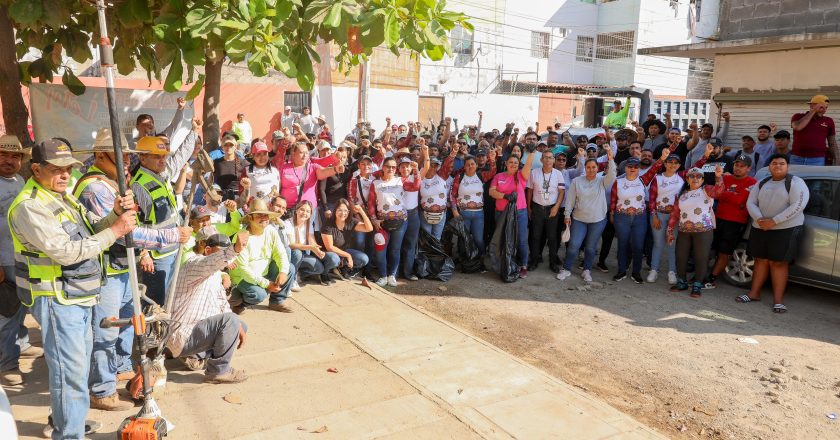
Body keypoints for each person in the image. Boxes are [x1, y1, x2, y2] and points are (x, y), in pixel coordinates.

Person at [8, 139, 137, 439]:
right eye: (57, 169)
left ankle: (67, 424)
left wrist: (113, 215)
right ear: (36, 169)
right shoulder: (30, 206)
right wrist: (115, 230)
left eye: (68, 168)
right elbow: (66, 252)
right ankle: (69, 434)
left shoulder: (62, 197)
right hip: (56, 299)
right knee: (71, 375)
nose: (65, 174)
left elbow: (90, 231)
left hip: (77, 295)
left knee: (74, 372)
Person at [73, 128, 172, 410]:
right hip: (105, 271)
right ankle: (102, 389)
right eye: (120, 156)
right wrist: (168, 236)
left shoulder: (113, 184)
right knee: (106, 330)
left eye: (128, 156)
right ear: (100, 156)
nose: (126, 161)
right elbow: (124, 231)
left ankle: (118, 368)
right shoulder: (94, 188)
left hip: (122, 267)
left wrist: (142, 251)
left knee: (128, 323)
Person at [131, 119, 199, 306]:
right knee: (153, 303)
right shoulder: (139, 186)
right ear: (143, 158)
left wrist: (194, 131)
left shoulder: (162, 174)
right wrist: (144, 254)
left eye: (164, 156)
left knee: (166, 299)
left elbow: (181, 156)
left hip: (172, 249)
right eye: (157, 156)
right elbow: (135, 223)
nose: (163, 160)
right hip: (156, 256)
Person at [169, 226, 249, 384]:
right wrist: (235, 249)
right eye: (219, 252)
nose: (226, 259)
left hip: (196, 331)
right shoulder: (194, 264)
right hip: (182, 334)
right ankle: (217, 371)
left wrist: (237, 326)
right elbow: (211, 262)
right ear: (207, 250)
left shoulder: (216, 274)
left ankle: (196, 356)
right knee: (231, 321)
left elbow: (222, 304)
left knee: (240, 325)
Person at [739, 154, 809, 312]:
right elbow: (751, 202)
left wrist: (774, 221)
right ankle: (754, 294)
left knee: (778, 263)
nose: (778, 166)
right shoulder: (762, 182)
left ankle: (778, 301)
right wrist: (760, 219)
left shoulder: (796, 183)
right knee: (760, 260)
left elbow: (798, 205)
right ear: (769, 166)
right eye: (774, 163)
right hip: (760, 227)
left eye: (782, 163)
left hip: (785, 229)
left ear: (788, 166)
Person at [0, 135, 42, 387]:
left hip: (21, 258)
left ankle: (22, 343)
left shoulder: (19, 181)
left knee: (21, 308)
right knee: (7, 313)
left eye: (14, 156)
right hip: (4, 260)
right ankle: (7, 365)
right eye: (3, 155)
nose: (9, 160)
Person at [557, 147, 617, 282]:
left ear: (597, 168)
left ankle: (587, 270)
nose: (591, 170)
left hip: (598, 220)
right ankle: (566, 269)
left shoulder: (602, 181)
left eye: (594, 167)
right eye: (588, 167)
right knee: (574, 245)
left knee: (590, 247)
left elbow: (612, 175)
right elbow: (570, 200)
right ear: (585, 168)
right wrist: (567, 215)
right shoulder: (577, 181)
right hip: (579, 219)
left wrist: (611, 158)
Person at [609, 149, 668, 283]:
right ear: (626, 167)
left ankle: (636, 272)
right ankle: (621, 270)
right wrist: (612, 213)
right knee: (623, 244)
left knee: (638, 245)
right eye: (630, 166)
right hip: (621, 217)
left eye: (635, 167)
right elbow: (613, 199)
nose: (632, 169)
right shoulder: (618, 182)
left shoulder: (643, 180)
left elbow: (654, 168)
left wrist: (663, 158)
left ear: (638, 168)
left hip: (639, 218)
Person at [666, 166, 724, 297]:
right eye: (692, 176)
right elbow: (675, 215)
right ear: (687, 179)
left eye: (699, 176)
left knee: (701, 258)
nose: (695, 178)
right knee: (681, 257)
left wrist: (718, 177)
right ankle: (682, 282)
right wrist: (669, 232)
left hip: (703, 231)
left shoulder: (706, 190)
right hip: (684, 231)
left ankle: (697, 285)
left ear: (703, 179)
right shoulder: (682, 195)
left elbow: (719, 192)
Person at [229, 199, 295, 313]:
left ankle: (276, 302)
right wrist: (267, 284)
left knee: (290, 269)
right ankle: (239, 302)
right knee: (259, 295)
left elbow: (280, 253)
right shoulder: (241, 237)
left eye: (266, 215)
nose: (264, 218)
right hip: (243, 278)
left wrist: (283, 271)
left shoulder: (270, 231)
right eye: (259, 215)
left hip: (263, 273)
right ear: (250, 218)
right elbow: (244, 270)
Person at [368, 156, 421, 286]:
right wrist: (374, 219)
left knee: (395, 249)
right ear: (383, 167)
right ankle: (383, 276)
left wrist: (416, 171)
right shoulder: (375, 183)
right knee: (380, 250)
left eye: (393, 167)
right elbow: (371, 203)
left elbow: (415, 187)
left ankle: (392, 275)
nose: (391, 169)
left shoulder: (401, 180)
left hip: (400, 221)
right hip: (382, 223)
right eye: (388, 166)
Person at [706, 154, 758, 288]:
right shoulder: (725, 178)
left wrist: (726, 194)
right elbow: (716, 195)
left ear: (748, 168)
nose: (738, 168)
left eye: (742, 166)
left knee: (725, 252)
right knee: (709, 249)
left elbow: (739, 200)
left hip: (735, 222)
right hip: (718, 219)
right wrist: (732, 194)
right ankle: (700, 275)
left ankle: (712, 278)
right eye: (736, 165)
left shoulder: (752, 182)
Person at [489, 147, 537, 278]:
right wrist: (505, 196)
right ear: (506, 163)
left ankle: (523, 265)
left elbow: (528, 166)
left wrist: (531, 154)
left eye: (516, 163)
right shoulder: (499, 176)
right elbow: (491, 192)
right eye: (510, 162)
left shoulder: (521, 176)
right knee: (503, 239)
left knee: (521, 239)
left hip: (519, 212)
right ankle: (505, 263)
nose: (513, 164)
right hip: (501, 213)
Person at [450, 150, 497, 256]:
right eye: (467, 165)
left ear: (476, 165)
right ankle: (463, 260)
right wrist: (454, 210)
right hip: (463, 214)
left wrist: (492, 159)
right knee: (463, 239)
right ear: (464, 166)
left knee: (478, 239)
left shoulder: (481, 176)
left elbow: (493, 172)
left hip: (478, 214)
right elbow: (452, 195)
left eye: (472, 164)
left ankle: (481, 258)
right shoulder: (459, 177)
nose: (470, 166)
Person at [284, 200, 340, 285]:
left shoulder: (308, 224)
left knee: (323, 266)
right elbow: (291, 245)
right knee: (297, 253)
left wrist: (318, 251)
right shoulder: (288, 222)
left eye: (308, 211)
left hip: (303, 254)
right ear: (296, 210)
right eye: (302, 209)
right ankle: (292, 279)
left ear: (310, 214)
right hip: (292, 255)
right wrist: (310, 247)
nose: (304, 213)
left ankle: (300, 274)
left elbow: (312, 241)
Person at [527, 151, 565, 272]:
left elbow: (562, 192)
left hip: (552, 209)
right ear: (541, 160)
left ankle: (552, 263)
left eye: (550, 158)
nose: (548, 160)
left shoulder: (558, 174)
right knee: (535, 236)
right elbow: (529, 191)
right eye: (545, 157)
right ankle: (534, 261)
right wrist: (529, 208)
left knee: (552, 237)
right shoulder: (534, 173)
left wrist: (556, 207)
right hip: (537, 208)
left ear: (553, 160)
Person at [320, 199, 374, 278]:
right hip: (328, 254)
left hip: (343, 252)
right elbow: (330, 248)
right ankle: (324, 272)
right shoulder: (328, 224)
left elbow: (369, 228)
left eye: (345, 210)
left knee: (363, 258)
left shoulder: (351, 222)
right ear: (335, 211)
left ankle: (342, 268)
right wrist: (348, 256)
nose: (343, 213)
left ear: (349, 212)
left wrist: (361, 211)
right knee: (334, 258)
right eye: (340, 210)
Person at [419, 143, 455, 240]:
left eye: (435, 166)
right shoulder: (420, 178)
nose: (433, 168)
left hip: (441, 215)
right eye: (431, 165)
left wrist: (453, 152)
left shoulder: (442, 176)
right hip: (425, 214)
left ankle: (436, 251)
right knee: (427, 239)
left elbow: (447, 165)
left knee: (437, 239)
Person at [790, 95, 838, 165]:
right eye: (821, 107)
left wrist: (837, 159)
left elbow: (832, 142)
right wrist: (813, 111)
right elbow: (798, 127)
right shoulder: (798, 116)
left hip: (817, 159)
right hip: (797, 158)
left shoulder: (829, 121)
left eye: (826, 108)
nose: (824, 110)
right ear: (811, 106)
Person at [213, 134, 248, 201]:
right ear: (222, 147)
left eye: (231, 145)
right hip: (221, 199)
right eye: (226, 145)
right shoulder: (216, 162)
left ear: (235, 146)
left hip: (238, 198)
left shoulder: (243, 162)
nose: (228, 147)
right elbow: (210, 180)